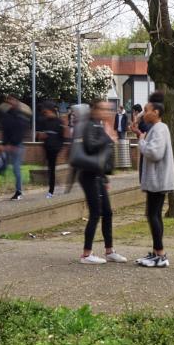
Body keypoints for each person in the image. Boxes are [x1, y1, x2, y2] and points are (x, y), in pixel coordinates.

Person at [70, 103, 125, 264]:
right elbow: (91, 146)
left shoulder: (98, 124)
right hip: (88, 175)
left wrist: (105, 178)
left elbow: (102, 154)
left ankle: (109, 250)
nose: (107, 112)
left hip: (97, 175)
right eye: (103, 109)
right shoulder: (88, 125)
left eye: (108, 109)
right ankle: (86, 254)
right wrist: (107, 136)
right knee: (95, 212)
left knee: (107, 212)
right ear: (94, 110)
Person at [137, 93, 174, 267]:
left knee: (153, 215)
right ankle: (156, 252)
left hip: (158, 180)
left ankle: (160, 254)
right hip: (157, 180)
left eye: (147, 110)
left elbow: (154, 153)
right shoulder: (157, 128)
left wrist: (141, 141)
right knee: (154, 214)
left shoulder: (160, 129)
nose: (144, 113)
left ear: (156, 112)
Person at [0, 94, 31, 199]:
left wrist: (13, 144)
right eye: (8, 100)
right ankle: (6, 186)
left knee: (16, 168)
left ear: (16, 102)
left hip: (17, 146)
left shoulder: (20, 115)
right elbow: (5, 130)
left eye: (12, 100)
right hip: (8, 145)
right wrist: (4, 144)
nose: (10, 102)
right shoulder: (7, 114)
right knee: (0, 165)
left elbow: (20, 131)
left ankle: (19, 191)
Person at [38, 102, 66, 198]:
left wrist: (59, 148)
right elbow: (42, 134)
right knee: (49, 169)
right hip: (47, 148)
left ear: (51, 111)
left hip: (54, 149)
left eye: (46, 112)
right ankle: (53, 185)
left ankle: (51, 190)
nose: (45, 114)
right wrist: (41, 136)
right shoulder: (45, 121)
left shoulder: (59, 122)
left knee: (51, 169)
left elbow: (62, 137)